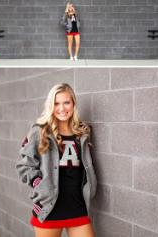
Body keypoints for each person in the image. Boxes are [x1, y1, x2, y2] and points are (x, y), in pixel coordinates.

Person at [17, 83, 96, 237]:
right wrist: (41, 185)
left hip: (77, 205)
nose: (62, 108)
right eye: (56, 103)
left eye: (66, 102)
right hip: (49, 207)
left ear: (73, 103)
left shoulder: (83, 132)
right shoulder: (39, 130)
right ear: (50, 106)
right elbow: (24, 165)